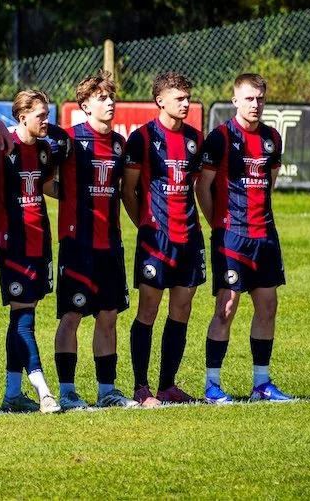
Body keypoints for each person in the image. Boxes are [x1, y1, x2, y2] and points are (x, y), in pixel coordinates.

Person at [195, 73, 292, 403]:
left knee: (268, 306)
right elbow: (202, 188)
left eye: (261, 98)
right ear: (235, 100)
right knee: (227, 306)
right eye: (249, 98)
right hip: (231, 237)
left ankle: (261, 384)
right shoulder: (220, 137)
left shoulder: (272, 139)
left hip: (264, 234)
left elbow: (270, 181)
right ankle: (212, 386)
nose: (256, 104)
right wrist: (218, 226)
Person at [50, 71, 137, 410]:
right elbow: (45, 181)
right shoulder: (69, 141)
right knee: (71, 315)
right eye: (102, 98)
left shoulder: (118, 143)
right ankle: (68, 391)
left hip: (109, 244)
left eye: (112, 97)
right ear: (85, 106)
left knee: (109, 315)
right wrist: (69, 198)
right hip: (77, 244)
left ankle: (107, 390)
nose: (110, 102)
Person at [122, 72, 204, 406]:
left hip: (189, 237)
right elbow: (128, 189)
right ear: (160, 100)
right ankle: (141, 388)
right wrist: (145, 223)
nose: (186, 103)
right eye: (180, 98)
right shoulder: (141, 139)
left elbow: (196, 186)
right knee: (148, 310)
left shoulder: (195, 139)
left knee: (182, 307)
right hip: (156, 240)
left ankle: (168, 385)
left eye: (188, 98)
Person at [0, 90, 61, 414]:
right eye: (41, 116)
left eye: (47, 115)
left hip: (39, 240)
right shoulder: (2, 148)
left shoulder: (44, 150)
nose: (47, 121)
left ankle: (12, 393)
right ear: (22, 117)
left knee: (20, 318)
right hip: (12, 242)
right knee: (24, 319)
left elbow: (47, 186)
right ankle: (44, 390)